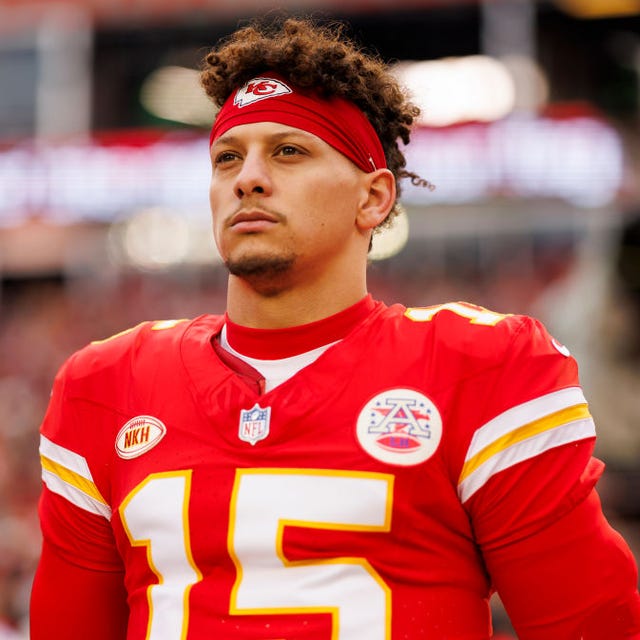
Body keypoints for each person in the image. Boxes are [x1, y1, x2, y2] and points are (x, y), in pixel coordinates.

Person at [30, 15, 640, 640]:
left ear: (373, 198)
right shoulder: (105, 384)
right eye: (227, 158)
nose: (248, 177)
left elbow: (591, 625)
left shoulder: (483, 365)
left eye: (289, 152)